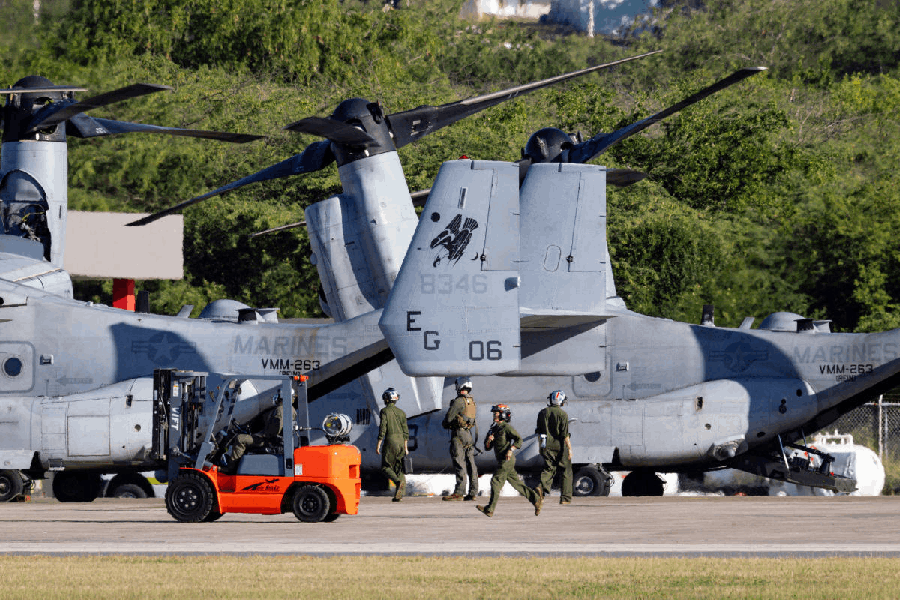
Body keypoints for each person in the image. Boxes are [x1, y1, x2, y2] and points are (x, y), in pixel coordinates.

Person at [476, 404, 542, 518]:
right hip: (502, 460)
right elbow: (487, 448)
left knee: (495, 482)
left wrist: (511, 449)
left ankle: (490, 509)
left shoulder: (507, 428)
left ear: (503, 414)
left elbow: (519, 440)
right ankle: (536, 499)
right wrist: (489, 440)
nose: (494, 415)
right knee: (517, 484)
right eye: (494, 413)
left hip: (507, 460)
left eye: (496, 413)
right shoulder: (493, 429)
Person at [221, 393, 291, 472]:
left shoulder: (281, 410)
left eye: (278, 397)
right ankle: (234, 463)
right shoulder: (282, 409)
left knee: (240, 439)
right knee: (238, 435)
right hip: (270, 439)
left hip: (269, 441)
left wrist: (263, 435)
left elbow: (275, 429)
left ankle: (231, 469)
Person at [441, 377, 478, 501]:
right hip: (469, 434)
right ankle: (473, 492)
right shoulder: (471, 401)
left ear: (460, 386)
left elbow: (449, 418)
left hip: (459, 435)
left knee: (459, 463)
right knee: (471, 463)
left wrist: (446, 424)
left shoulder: (459, 401)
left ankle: (459, 492)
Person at [536, 390, 574, 505]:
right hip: (560, 446)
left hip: (546, 445)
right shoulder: (563, 414)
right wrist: (570, 449)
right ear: (561, 401)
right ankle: (565, 498)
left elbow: (539, 432)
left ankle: (541, 489)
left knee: (548, 469)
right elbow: (565, 435)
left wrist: (541, 447)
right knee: (566, 471)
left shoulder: (542, 413)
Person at [376, 387, 409, 502]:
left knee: (386, 467)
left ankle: (397, 482)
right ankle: (399, 494)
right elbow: (406, 431)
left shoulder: (384, 411)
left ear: (386, 399)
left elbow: (383, 428)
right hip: (401, 442)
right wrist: (406, 447)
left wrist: (379, 444)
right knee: (398, 467)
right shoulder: (402, 413)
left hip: (390, 441)